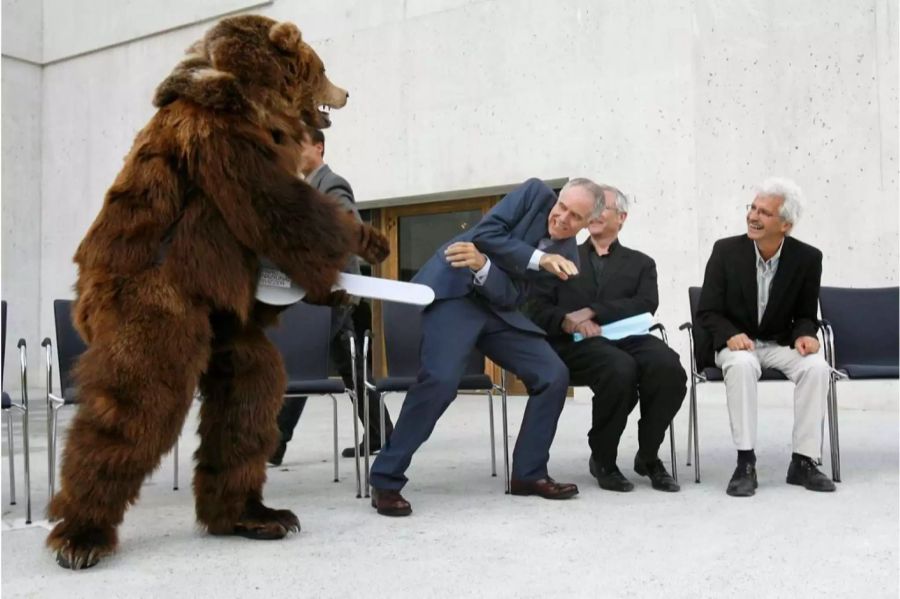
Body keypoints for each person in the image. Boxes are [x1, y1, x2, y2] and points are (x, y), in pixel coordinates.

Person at [368, 177, 603, 516]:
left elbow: (512, 296)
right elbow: (485, 233)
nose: (563, 218)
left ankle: (529, 474)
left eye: (575, 217)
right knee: (441, 380)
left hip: (497, 309)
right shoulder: (534, 193)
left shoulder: (568, 261)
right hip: (455, 294)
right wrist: (538, 258)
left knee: (552, 373)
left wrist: (485, 265)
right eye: (562, 207)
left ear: (588, 223)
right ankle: (386, 479)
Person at [526, 184, 685, 492]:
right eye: (592, 209)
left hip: (630, 338)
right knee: (619, 368)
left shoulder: (641, 262)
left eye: (603, 208)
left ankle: (649, 456)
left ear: (622, 217)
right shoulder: (556, 255)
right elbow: (536, 307)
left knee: (669, 368)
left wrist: (593, 311)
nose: (595, 214)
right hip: (575, 343)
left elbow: (646, 302)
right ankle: (604, 459)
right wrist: (568, 322)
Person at [696, 177, 835, 497]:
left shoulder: (808, 258)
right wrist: (730, 335)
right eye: (753, 208)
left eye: (764, 213)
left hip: (777, 343)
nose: (753, 217)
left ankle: (803, 461)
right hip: (734, 345)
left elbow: (804, 315)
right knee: (743, 364)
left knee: (816, 367)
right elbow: (708, 312)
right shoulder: (725, 251)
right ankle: (745, 462)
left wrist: (806, 336)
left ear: (785, 224)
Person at [270, 127, 393, 465]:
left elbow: (345, 228)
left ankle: (275, 443)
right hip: (327, 292)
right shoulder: (308, 188)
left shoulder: (331, 184)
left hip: (335, 290)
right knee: (350, 368)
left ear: (319, 148)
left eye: (300, 144)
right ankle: (382, 432)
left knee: (303, 361)